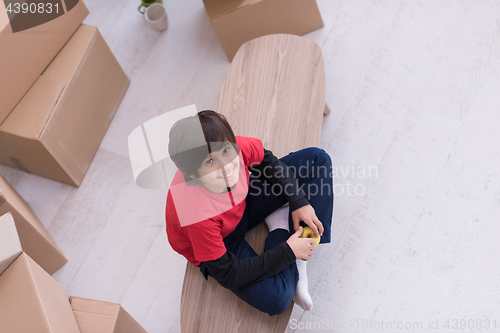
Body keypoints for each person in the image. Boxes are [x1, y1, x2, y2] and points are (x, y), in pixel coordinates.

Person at [165, 110, 333, 315]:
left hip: (243, 202)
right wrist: (287, 251)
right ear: (193, 175)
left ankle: (301, 253)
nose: (226, 165)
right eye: (210, 162)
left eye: (226, 151)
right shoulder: (196, 215)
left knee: (317, 159)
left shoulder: (231, 147)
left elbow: (269, 163)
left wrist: (298, 201)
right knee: (278, 299)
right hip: (224, 239)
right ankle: (281, 228)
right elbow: (228, 273)